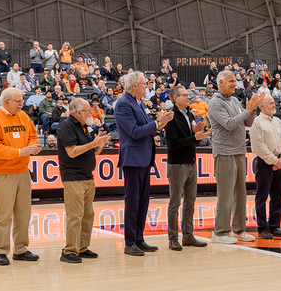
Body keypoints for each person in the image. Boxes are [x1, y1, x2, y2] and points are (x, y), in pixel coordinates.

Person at [115, 71, 174, 256]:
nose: (147, 86)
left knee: (143, 201)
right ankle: (130, 241)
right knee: (132, 201)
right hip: (133, 158)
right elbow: (134, 131)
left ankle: (139, 238)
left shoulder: (139, 102)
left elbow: (145, 129)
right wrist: (157, 123)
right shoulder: (124, 104)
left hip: (143, 157)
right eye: (143, 83)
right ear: (133, 86)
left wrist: (160, 125)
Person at [0, 87, 43, 265]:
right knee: (3, 215)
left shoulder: (23, 117)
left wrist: (32, 147)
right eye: (18, 101)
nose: (22, 104)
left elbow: (33, 135)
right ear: (6, 102)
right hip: (2, 173)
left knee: (23, 214)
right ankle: (0, 251)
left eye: (22, 100)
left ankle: (21, 249)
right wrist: (20, 151)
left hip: (23, 172)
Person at [209, 70, 265, 244]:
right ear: (220, 83)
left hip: (239, 151)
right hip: (224, 152)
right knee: (226, 196)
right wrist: (247, 110)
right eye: (231, 81)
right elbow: (230, 124)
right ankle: (219, 233)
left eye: (235, 81)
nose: (235, 83)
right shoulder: (214, 103)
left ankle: (239, 230)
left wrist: (253, 110)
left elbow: (247, 122)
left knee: (241, 194)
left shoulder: (234, 100)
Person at [57, 98, 110, 263]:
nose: (91, 113)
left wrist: (99, 144)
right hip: (73, 177)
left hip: (87, 176)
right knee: (75, 215)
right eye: (88, 111)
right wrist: (93, 142)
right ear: (79, 112)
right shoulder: (66, 126)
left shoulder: (84, 127)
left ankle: (82, 247)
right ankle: (69, 250)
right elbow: (72, 152)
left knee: (88, 215)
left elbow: (91, 152)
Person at [164, 85, 211, 251]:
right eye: (185, 95)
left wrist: (197, 136)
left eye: (188, 95)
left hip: (191, 162)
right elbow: (172, 144)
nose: (189, 97)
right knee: (175, 203)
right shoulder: (170, 116)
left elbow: (192, 141)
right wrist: (193, 137)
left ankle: (188, 235)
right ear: (175, 98)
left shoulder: (189, 114)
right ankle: (172, 238)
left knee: (190, 202)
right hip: (177, 164)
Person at [250, 96, 281, 240]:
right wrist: (274, 161)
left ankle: (274, 225)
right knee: (262, 196)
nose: (274, 105)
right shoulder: (256, 122)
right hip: (265, 163)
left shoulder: (278, 121)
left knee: (278, 196)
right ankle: (262, 227)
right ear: (262, 107)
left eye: (274, 103)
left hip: (279, 162)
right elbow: (258, 146)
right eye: (271, 103)